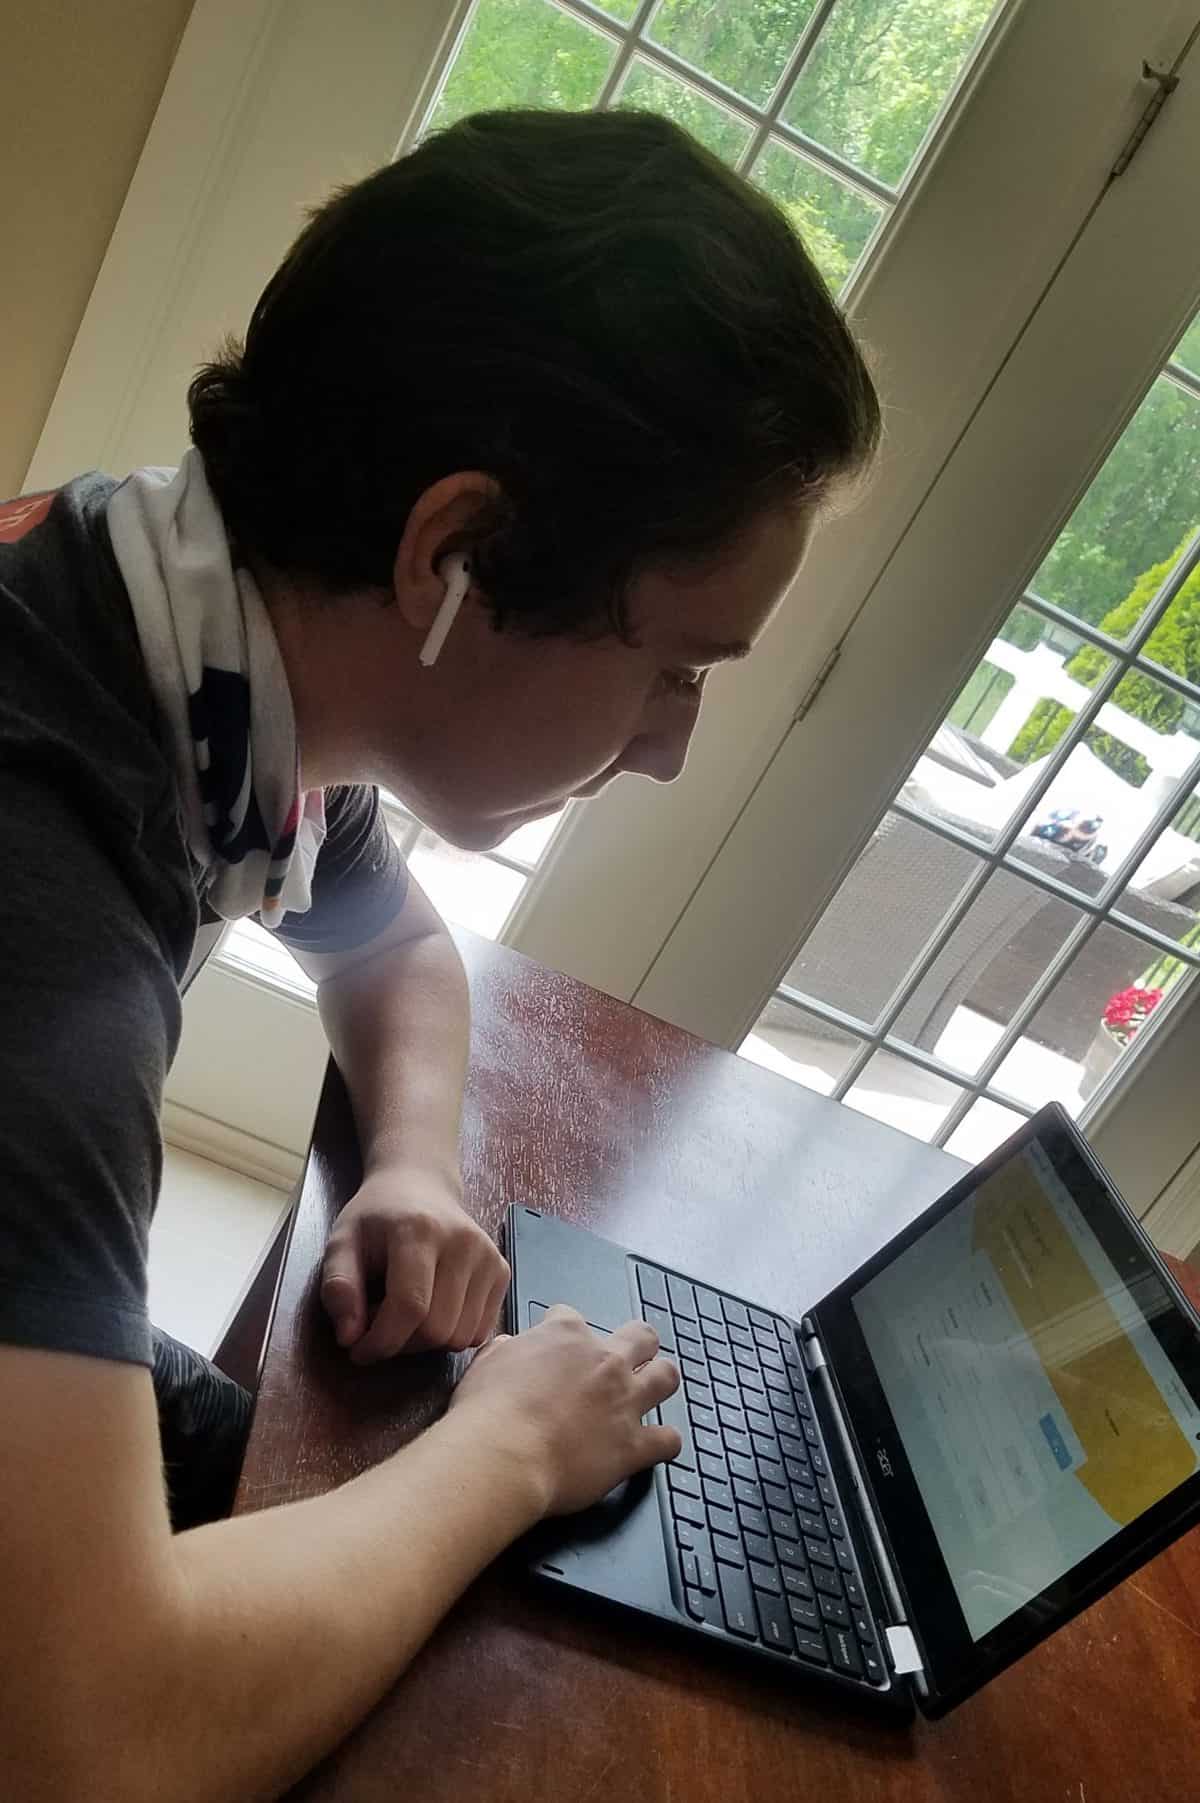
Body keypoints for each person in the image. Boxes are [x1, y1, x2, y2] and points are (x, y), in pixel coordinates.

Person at [1, 108, 879, 1799]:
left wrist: (413, 1169)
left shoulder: (187, 641)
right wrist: (503, 1455)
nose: (674, 746)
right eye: (678, 665)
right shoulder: (36, 921)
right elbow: (89, 1740)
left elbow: (394, 943)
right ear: (456, 556)